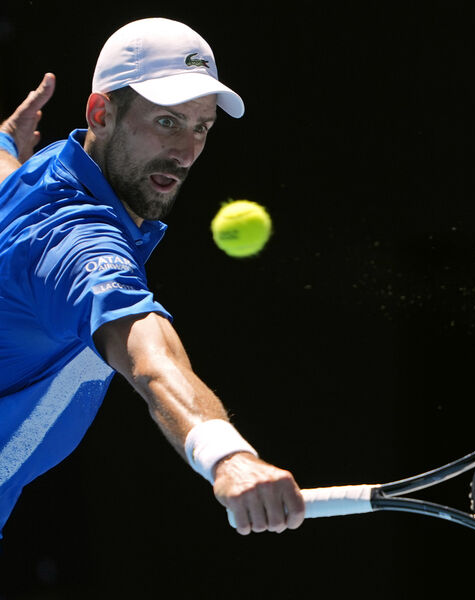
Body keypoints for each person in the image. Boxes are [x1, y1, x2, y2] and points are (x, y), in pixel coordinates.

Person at [0, 17, 304, 537]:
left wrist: (6, 141)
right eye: (167, 120)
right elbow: (150, 357)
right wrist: (226, 455)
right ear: (100, 114)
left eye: (201, 127)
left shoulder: (45, 172)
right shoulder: (73, 240)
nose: (186, 152)